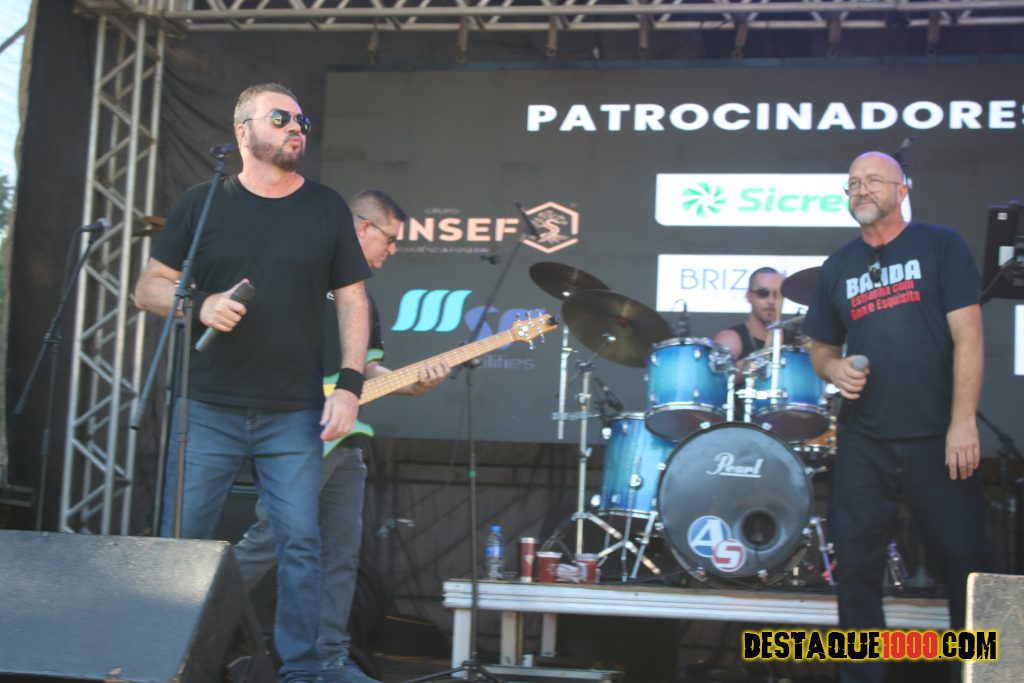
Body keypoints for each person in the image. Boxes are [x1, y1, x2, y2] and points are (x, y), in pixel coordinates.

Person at [135, 83, 371, 683]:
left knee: (300, 545)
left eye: (301, 121)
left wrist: (349, 385)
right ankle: (166, 663)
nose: (296, 128)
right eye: (281, 118)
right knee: (181, 543)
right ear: (243, 131)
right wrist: (200, 305)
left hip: (293, 410)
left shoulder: (325, 206)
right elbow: (149, 287)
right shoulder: (202, 203)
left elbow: (353, 299)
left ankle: (303, 672)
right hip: (206, 406)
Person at [233, 190, 451, 683]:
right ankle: (185, 619)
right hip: (297, 431)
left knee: (339, 556)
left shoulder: (364, 299)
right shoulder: (297, 270)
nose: (393, 250)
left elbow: (367, 368)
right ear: (362, 227)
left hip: (349, 440)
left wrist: (412, 383)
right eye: (390, 239)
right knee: (268, 540)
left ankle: (329, 659)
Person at [803, 151, 989, 682]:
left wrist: (963, 421)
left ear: (902, 191)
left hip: (938, 435)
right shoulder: (838, 266)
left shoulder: (941, 245)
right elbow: (820, 347)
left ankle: (988, 676)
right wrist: (833, 367)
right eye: (852, 183)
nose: (860, 190)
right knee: (856, 572)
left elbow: (969, 336)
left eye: (873, 181)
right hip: (865, 440)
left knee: (970, 569)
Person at [712, 266, 789, 362]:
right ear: (749, 296)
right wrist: (767, 350)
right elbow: (721, 369)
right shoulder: (731, 338)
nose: (771, 301)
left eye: (778, 295)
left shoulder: (794, 341)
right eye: (763, 293)